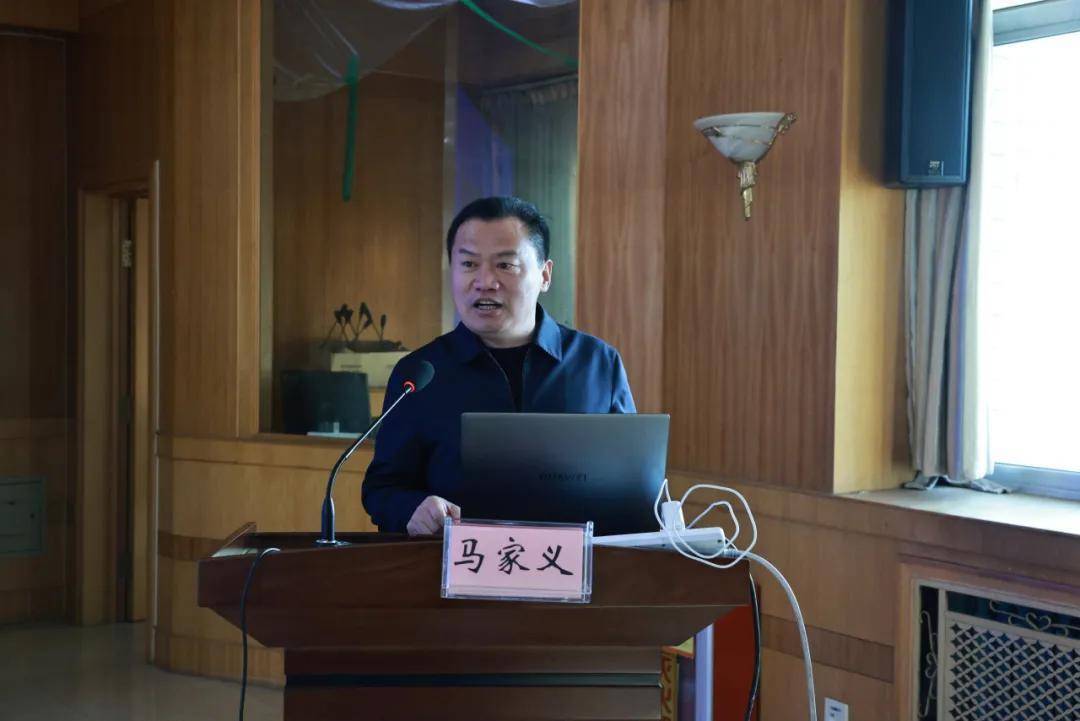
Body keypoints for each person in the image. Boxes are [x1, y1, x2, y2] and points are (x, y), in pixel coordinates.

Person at [361, 196, 636, 535]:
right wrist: (412, 509)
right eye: (468, 264)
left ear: (545, 275)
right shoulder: (420, 373)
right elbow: (382, 489)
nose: (485, 281)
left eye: (505, 265)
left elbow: (633, 482)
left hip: (572, 563)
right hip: (454, 564)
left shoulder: (596, 364)